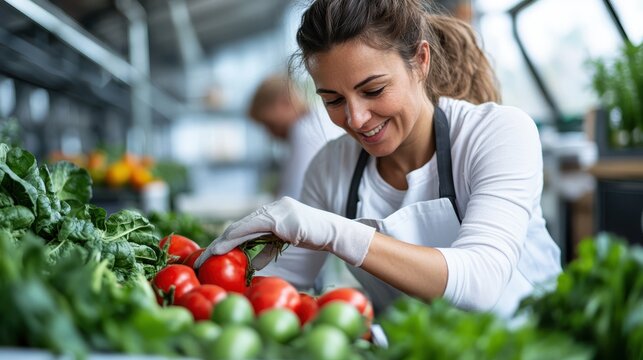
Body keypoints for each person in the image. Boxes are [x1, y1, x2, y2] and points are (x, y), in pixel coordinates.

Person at [196, 0, 562, 318]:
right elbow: (278, 286)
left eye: (373, 90)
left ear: (420, 61)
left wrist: (333, 231)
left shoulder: (496, 133)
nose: (355, 119)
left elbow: (482, 281)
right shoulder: (331, 167)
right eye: (333, 101)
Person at [248, 73, 344, 200]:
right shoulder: (318, 118)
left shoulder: (305, 130)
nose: (270, 134)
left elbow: (292, 197)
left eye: (270, 124)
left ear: (285, 102)